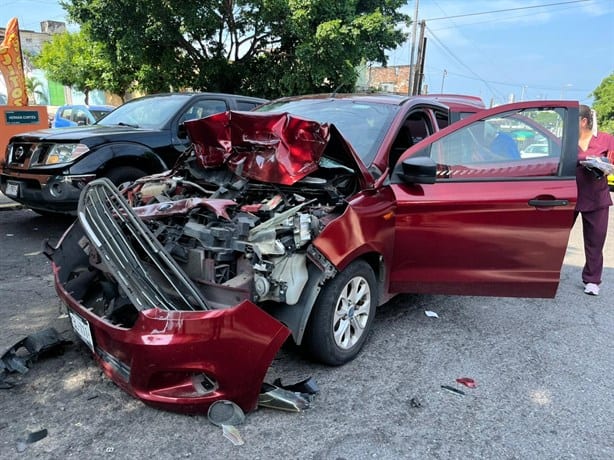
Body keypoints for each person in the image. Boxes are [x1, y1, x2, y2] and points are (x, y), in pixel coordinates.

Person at [575, 104, 614, 296]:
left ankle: (592, 280)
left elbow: (613, 162)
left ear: (583, 121)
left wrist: (604, 166)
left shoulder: (605, 139)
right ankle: (548, 274)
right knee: (556, 237)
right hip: (570, 195)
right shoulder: (567, 140)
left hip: (597, 197)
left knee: (595, 241)